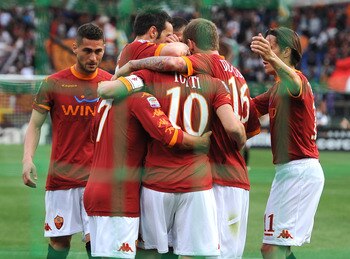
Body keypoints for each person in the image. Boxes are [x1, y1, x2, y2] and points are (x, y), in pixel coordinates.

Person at [113, 18, 260, 258]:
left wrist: (133, 64)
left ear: (191, 44)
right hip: (237, 178)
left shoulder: (205, 63)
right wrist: (240, 140)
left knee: (210, 253)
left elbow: (170, 61)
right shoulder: (239, 76)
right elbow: (247, 126)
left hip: (217, 178)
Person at [98, 70, 247, 258]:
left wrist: (130, 66)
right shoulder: (214, 83)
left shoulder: (151, 76)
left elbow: (107, 89)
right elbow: (233, 127)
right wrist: (241, 142)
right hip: (197, 183)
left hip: (157, 182)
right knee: (192, 253)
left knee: (149, 252)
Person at [84, 92, 211, 258]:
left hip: (94, 189)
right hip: (119, 195)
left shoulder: (104, 99)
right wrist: (200, 142)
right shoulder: (139, 98)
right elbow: (167, 134)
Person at [22, 23, 111, 259]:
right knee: (59, 243)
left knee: (98, 243)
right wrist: (27, 159)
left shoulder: (111, 84)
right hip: (63, 178)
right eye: (87, 51)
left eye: (99, 51)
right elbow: (35, 125)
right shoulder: (54, 83)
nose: (93, 57)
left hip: (98, 179)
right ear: (75, 48)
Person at [250, 27, 325, 259]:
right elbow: (247, 106)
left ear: (285, 52)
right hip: (287, 172)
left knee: (271, 248)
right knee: (278, 248)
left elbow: (294, 79)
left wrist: (271, 57)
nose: (264, 55)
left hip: (299, 171)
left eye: (270, 47)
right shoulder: (276, 89)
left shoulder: (296, 80)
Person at [113, 7, 189, 75]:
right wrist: (177, 43)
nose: (171, 39)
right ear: (153, 32)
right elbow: (176, 50)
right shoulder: (139, 46)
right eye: (168, 35)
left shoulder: (131, 48)